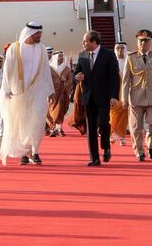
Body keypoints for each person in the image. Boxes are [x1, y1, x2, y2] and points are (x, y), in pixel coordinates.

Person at [0, 22, 54, 165]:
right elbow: (7, 71)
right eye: (37, 34)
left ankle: (35, 151)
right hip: (19, 93)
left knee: (38, 120)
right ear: (29, 33)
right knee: (22, 124)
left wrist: (51, 91)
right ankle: (24, 153)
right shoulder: (14, 48)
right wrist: (5, 89)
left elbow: (46, 71)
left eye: (40, 34)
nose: (39, 37)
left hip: (38, 93)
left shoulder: (42, 49)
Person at [74, 30, 119, 166]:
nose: (83, 43)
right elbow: (76, 72)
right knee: (91, 128)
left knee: (103, 124)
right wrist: (76, 77)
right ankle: (94, 158)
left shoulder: (109, 55)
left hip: (104, 97)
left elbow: (114, 78)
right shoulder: (82, 55)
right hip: (88, 98)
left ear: (94, 42)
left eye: (85, 41)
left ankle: (106, 147)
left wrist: (114, 96)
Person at [122, 30, 152, 161]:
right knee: (136, 127)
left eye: (146, 40)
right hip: (136, 98)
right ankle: (139, 152)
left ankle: (150, 142)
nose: (143, 43)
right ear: (137, 42)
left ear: (150, 42)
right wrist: (124, 99)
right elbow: (126, 81)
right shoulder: (131, 58)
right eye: (141, 40)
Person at [47, 51, 73, 137]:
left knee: (61, 110)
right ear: (55, 57)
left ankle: (59, 128)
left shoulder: (66, 69)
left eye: (62, 56)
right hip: (52, 93)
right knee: (51, 111)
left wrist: (65, 81)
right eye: (59, 56)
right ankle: (53, 129)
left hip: (63, 93)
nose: (61, 58)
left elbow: (70, 80)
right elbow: (46, 80)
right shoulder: (49, 68)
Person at [110, 42, 129, 144]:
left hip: (126, 93)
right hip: (114, 93)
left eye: (122, 48)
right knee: (113, 114)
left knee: (124, 114)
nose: (120, 51)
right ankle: (112, 134)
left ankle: (121, 137)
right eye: (118, 48)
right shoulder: (112, 62)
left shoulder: (129, 62)